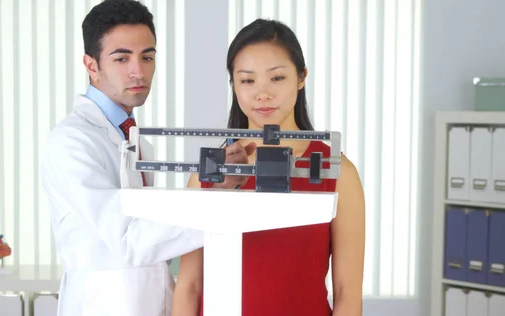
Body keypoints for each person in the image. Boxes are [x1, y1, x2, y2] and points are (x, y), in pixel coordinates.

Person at [40, 1, 252, 315]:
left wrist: (215, 189)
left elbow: (155, 239)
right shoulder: (71, 142)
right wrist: (214, 198)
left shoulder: (137, 142)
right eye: (121, 58)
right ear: (91, 65)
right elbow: (130, 241)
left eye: (147, 57)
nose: (138, 71)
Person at [171, 19, 366, 316]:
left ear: (301, 77)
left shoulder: (338, 173)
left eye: (276, 78)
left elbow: (347, 294)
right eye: (247, 80)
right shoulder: (210, 170)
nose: (262, 94)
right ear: (234, 85)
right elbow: (190, 286)